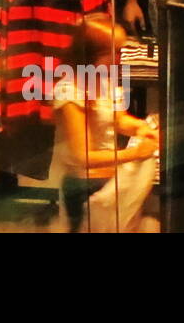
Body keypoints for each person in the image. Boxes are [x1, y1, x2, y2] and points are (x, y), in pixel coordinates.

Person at [53, 14, 160, 233]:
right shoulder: (70, 91)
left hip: (111, 179)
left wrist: (143, 129)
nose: (121, 57)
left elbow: (119, 120)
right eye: (116, 51)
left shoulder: (104, 80)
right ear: (92, 55)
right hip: (85, 187)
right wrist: (136, 154)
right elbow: (82, 156)